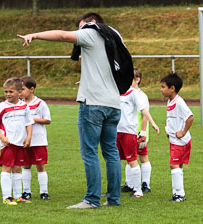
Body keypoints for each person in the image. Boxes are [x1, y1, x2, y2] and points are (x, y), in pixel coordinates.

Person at [17, 12, 134, 208]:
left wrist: (34, 35)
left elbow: (63, 35)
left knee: (89, 152)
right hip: (113, 103)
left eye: (80, 27)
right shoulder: (114, 35)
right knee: (111, 153)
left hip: (93, 103)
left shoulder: (91, 32)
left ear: (92, 22)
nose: (79, 32)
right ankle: (113, 199)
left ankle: (92, 199)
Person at [0, 77, 34, 206]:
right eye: (6, 91)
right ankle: (7, 196)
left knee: (17, 168)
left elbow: (29, 123)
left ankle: (18, 196)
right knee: (7, 168)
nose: (8, 94)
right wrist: (2, 138)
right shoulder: (2, 107)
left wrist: (29, 137)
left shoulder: (24, 106)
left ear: (19, 92)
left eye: (11, 91)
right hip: (8, 143)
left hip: (20, 143)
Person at [115, 72, 159, 198]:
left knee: (138, 158)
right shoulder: (119, 91)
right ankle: (126, 185)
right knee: (122, 159)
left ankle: (142, 187)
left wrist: (148, 127)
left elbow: (144, 111)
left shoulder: (138, 94)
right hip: (119, 131)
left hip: (133, 132)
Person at [161, 72, 194, 202]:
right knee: (177, 165)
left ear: (172, 88)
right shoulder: (170, 101)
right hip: (174, 139)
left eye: (163, 87)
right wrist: (168, 129)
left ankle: (180, 195)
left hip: (180, 141)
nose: (161, 90)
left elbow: (190, 117)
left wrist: (183, 132)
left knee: (174, 165)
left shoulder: (179, 102)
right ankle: (177, 192)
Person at [19, 76, 52, 201]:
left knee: (40, 166)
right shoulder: (19, 104)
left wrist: (33, 119)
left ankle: (44, 192)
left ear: (31, 89)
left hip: (38, 140)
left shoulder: (40, 103)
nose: (20, 92)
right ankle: (26, 192)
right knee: (26, 165)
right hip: (24, 140)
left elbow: (47, 120)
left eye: (22, 89)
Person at [121, 68, 152, 194]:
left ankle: (145, 184)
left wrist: (143, 132)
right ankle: (129, 184)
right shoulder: (127, 93)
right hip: (129, 131)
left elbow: (144, 114)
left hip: (139, 132)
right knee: (130, 158)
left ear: (137, 79)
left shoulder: (141, 95)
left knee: (143, 157)